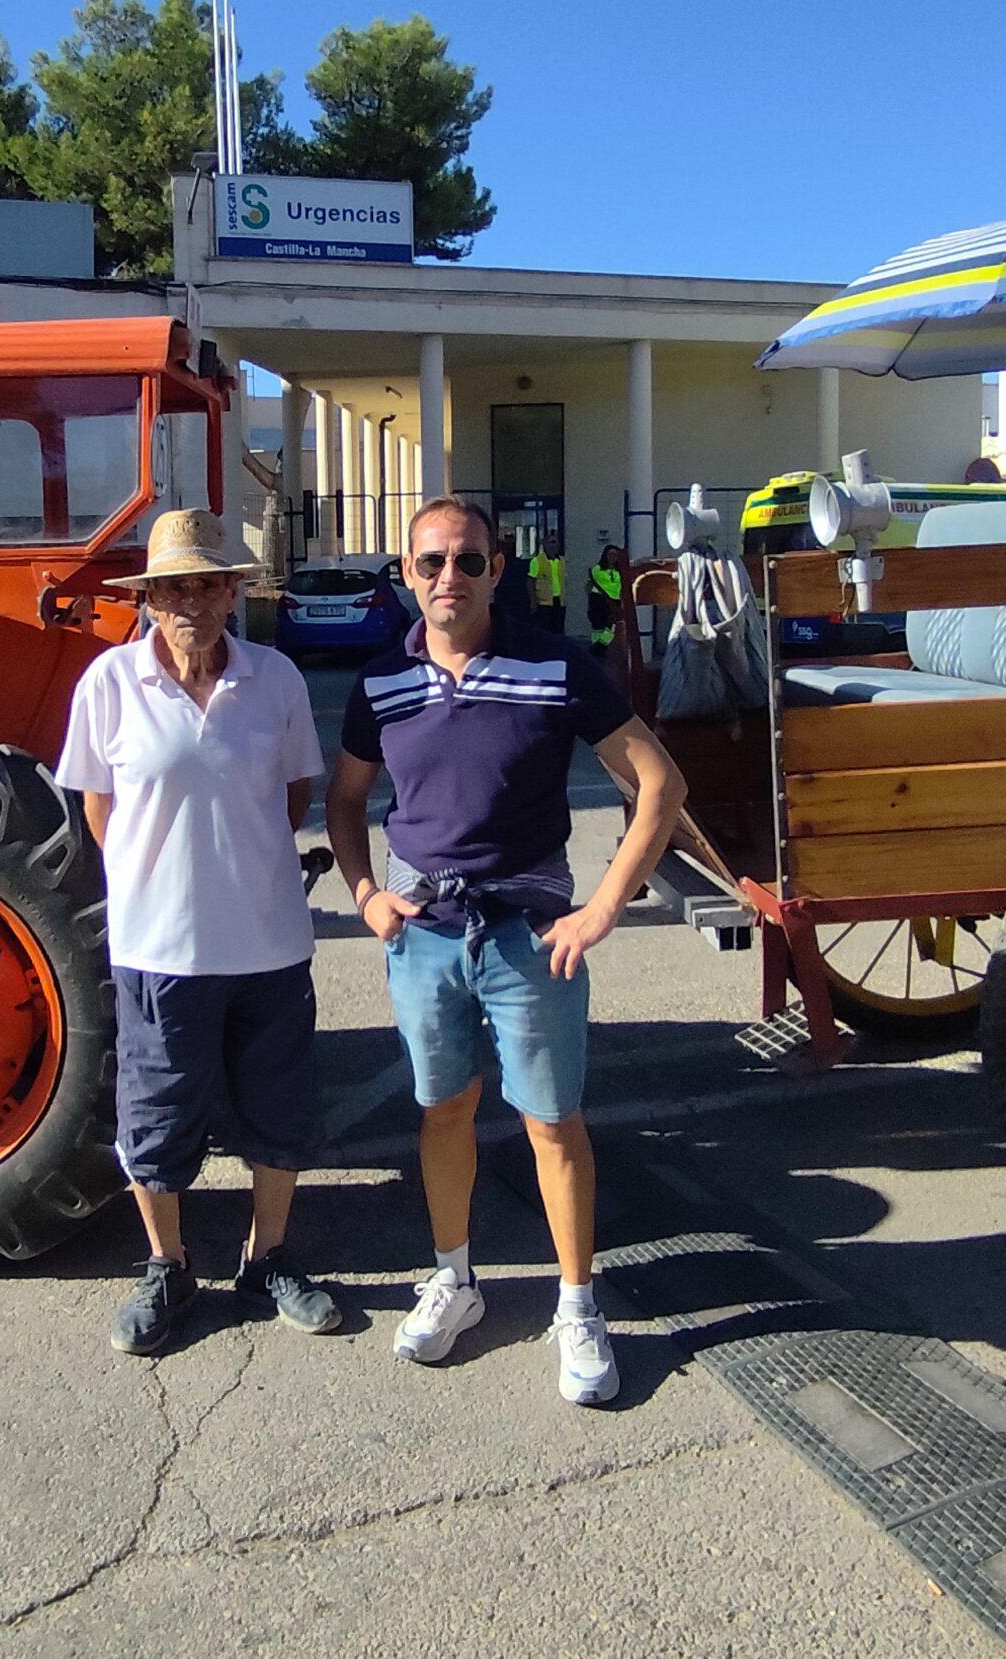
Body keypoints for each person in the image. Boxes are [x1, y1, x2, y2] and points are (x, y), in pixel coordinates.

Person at [327, 496, 687, 1405]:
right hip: (425, 938)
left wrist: (606, 904)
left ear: (498, 568)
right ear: (406, 576)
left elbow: (660, 782)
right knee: (443, 1110)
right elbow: (344, 801)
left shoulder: (555, 665)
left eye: (469, 561)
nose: (450, 577)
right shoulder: (380, 685)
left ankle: (577, 1304)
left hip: (531, 941)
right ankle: (455, 1279)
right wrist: (367, 893)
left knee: (552, 1122)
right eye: (430, 562)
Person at [56, 508, 340, 1356]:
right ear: (148, 598)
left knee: (278, 1108)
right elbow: (100, 812)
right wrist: (166, 876)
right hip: (158, 947)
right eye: (176, 585)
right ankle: (169, 1266)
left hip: (270, 941)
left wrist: (233, 861)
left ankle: (269, 1257)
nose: (194, 600)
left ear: (232, 591)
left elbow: (291, 800)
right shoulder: (107, 684)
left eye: (210, 582)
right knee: (156, 1112)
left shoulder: (276, 679)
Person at [586, 543, 625, 651]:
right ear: (605, 555)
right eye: (610, 554)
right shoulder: (598, 569)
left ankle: (600, 647)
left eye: (615, 555)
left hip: (614, 601)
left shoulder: (620, 571)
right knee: (598, 625)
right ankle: (596, 648)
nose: (613, 557)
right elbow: (589, 584)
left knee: (612, 626)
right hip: (598, 599)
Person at [529, 539, 567, 624]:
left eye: (555, 543)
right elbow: (530, 582)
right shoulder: (537, 561)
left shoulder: (562, 561)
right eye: (551, 542)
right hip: (544, 602)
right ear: (545, 545)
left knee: (559, 627)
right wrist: (533, 601)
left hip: (560, 601)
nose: (553, 546)